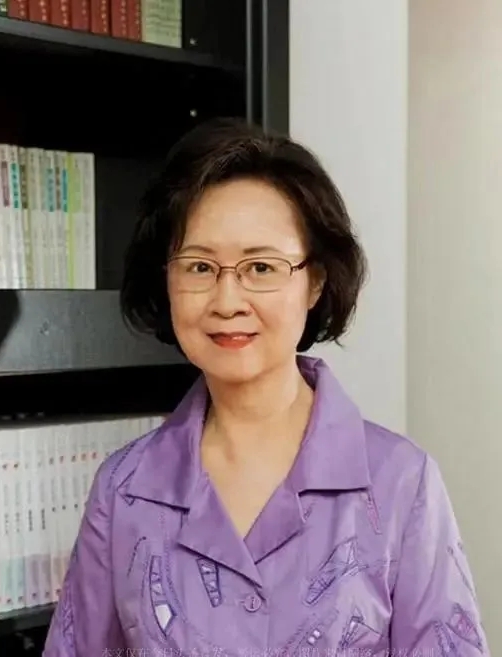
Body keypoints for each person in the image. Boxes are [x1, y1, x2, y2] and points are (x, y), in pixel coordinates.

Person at [43, 118, 489, 656]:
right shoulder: (124, 489)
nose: (228, 300)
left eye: (260, 267)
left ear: (315, 281)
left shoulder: (401, 484)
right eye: (200, 266)